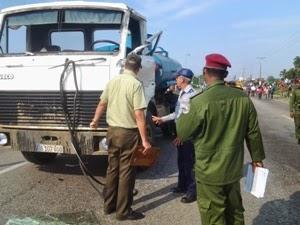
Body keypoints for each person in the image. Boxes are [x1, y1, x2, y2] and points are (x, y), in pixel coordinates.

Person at [176, 53, 265, 225]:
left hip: (209, 171)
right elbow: (253, 132)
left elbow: (183, 132)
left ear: (205, 72)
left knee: (213, 217)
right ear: (225, 75)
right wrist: (257, 160)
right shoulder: (243, 98)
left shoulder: (199, 101)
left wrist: (185, 108)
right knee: (235, 213)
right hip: (233, 169)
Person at [90, 53, 151, 221]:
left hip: (112, 131)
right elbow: (139, 114)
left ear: (125, 66)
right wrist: (145, 140)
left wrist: (95, 120)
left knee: (112, 169)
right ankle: (123, 212)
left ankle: (108, 206)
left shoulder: (112, 81)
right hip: (128, 133)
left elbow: (102, 103)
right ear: (138, 68)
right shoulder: (136, 84)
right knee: (126, 172)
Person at [152, 68, 197, 203]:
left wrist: (183, 135)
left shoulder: (191, 96)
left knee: (189, 163)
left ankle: (191, 191)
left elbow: (191, 119)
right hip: (181, 132)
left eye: (177, 78)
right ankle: (182, 186)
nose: (175, 80)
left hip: (187, 135)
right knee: (181, 161)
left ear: (182, 79)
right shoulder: (182, 93)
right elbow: (177, 114)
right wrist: (162, 119)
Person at [289, 78, 300, 144]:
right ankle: (299, 138)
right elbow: (291, 102)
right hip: (297, 110)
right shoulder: (294, 91)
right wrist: (291, 111)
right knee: (298, 125)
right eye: (298, 83)